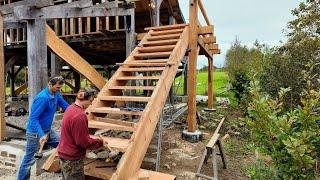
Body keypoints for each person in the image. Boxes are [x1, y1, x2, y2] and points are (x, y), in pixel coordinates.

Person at [18, 76, 69, 180]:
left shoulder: (56, 95)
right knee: (29, 160)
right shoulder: (42, 98)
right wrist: (41, 135)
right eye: (57, 87)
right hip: (35, 133)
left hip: (47, 130)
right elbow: (33, 119)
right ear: (50, 84)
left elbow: (66, 107)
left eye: (60, 87)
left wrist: (76, 111)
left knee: (63, 145)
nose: (59, 90)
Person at [58, 89, 106, 180]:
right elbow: (83, 142)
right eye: (90, 101)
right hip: (72, 159)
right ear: (83, 99)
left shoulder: (70, 108)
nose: (91, 104)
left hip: (65, 154)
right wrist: (100, 142)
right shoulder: (79, 116)